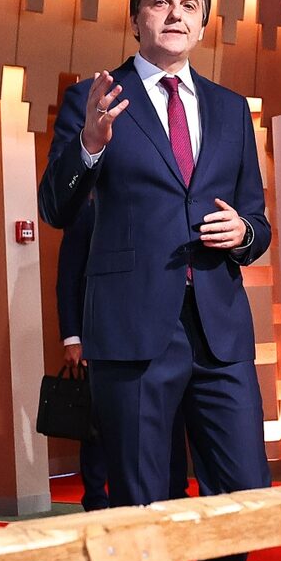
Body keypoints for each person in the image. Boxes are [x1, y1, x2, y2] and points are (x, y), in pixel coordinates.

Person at [38, 0, 272, 561]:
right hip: (133, 331)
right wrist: (90, 146)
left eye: (190, 5)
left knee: (248, 498)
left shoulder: (231, 109)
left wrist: (245, 234)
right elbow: (56, 207)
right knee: (142, 504)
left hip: (219, 331)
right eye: (161, 3)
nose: (176, 14)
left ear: (204, 22)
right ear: (135, 17)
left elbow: (257, 219)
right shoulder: (95, 97)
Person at [55, 194, 192, 510]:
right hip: (103, 336)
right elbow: (68, 278)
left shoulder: (159, 212)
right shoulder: (87, 212)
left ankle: (175, 491)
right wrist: (73, 338)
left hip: (156, 336)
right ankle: (95, 497)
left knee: (168, 420)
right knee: (99, 424)